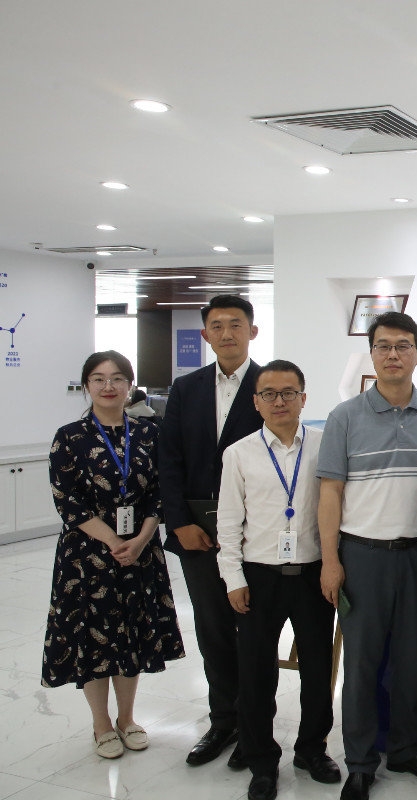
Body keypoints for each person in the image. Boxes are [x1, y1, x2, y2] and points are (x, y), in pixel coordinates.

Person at [317, 311, 417, 800]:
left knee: (413, 660)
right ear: (371, 353)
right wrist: (330, 561)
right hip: (363, 557)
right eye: (383, 346)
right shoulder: (345, 416)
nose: (393, 354)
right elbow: (330, 493)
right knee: (361, 664)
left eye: (403, 345)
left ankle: (405, 749)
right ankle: (359, 761)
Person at [43, 350, 184, 758]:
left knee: (131, 635)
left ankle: (127, 718)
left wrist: (139, 540)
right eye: (99, 379)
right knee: (92, 638)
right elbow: (67, 501)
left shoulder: (149, 433)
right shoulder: (69, 436)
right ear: (87, 385)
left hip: (140, 550)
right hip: (87, 555)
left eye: (118, 378)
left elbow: (160, 491)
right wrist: (112, 540)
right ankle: (101, 724)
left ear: (129, 385)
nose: (109, 386)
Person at [216, 360, 340, 800]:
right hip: (259, 577)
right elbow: (228, 523)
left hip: (312, 576)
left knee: (317, 669)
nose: (279, 401)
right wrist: (232, 577)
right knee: (255, 673)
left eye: (289, 392)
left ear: (304, 398)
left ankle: (312, 750)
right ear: (256, 402)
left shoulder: (325, 447)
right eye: (269, 393)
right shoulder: (239, 453)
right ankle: (261, 761)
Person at [159, 294, 262, 768]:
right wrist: (179, 522)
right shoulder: (186, 389)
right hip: (197, 534)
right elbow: (169, 459)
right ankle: (223, 721)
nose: (226, 333)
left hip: (255, 535)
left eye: (235, 324)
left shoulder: (270, 384)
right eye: (217, 326)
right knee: (213, 631)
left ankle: (254, 727)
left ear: (252, 331)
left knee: (253, 631)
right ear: (205, 335)